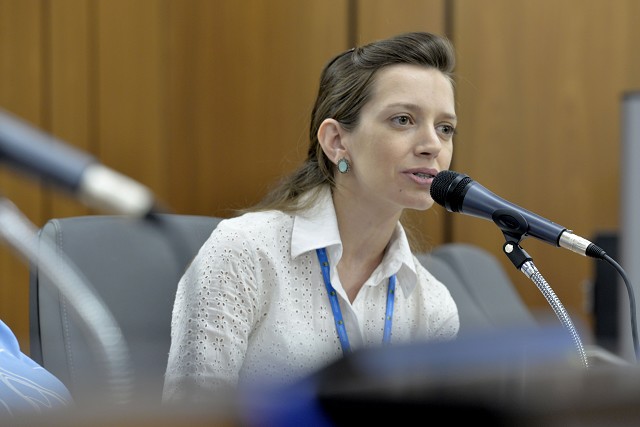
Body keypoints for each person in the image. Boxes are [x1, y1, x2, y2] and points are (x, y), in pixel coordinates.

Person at [163, 31, 460, 403]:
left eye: (445, 128)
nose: (432, 145)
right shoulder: (244, 252)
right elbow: (190, 413)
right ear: (336, 141)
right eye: (403, 119)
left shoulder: (433, 305)